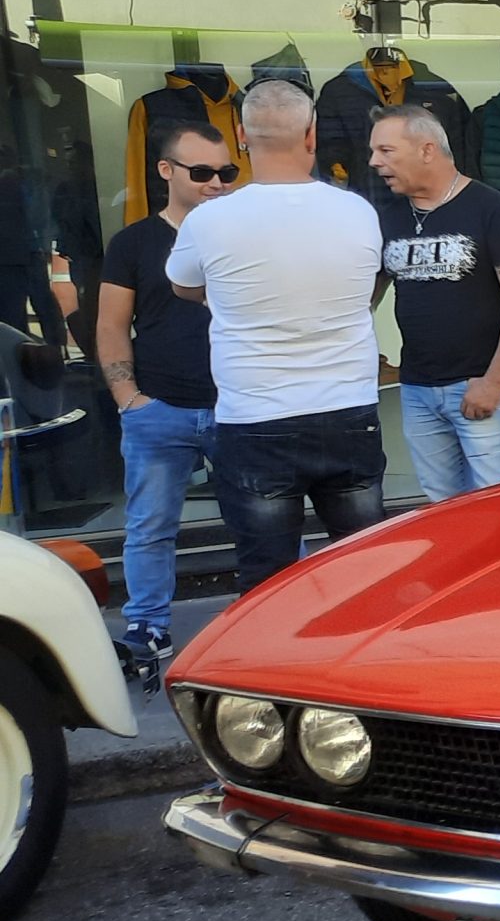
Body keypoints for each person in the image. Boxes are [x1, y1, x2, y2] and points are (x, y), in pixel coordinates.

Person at [166, 80, 387, 593]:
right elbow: (364, 283)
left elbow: (182, 286)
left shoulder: (210, 219)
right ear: (311, 135)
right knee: (367, 574)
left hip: (255, 418)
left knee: (267, 580)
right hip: (348, 410)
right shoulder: (358, 212)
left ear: (241, 135)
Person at [97, 120, 231, 664]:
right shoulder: (134, 242)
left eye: (226, 171)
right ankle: (148, 628)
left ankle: (274, 623)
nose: (216, 183)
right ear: (165, 171)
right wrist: (129, 399)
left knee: (267, 521)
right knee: (150, 527)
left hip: (241, 407)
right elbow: (111, 324)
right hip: (160, 408)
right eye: (201, 172)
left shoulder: (240, 234)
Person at [369, 105, 500, 502]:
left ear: (427, 150)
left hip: (481, 389)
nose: (374, 162)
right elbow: (364, 299)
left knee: (497, 508)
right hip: (416, 389)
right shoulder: (389, 218)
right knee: (441, 511)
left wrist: (494, 382)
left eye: (386, 150)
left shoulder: (492, 209)